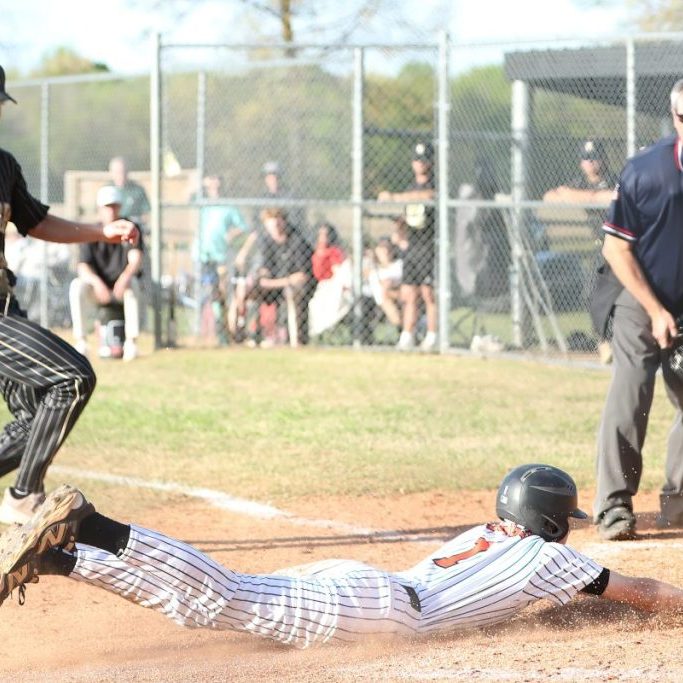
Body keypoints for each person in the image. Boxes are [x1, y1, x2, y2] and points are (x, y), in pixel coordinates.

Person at [4, 464, 683, 649]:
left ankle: (63, 562)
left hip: (363, 590)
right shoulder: (545, 556)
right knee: (222, 595)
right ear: (547, 521)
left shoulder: (483, 535)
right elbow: (643, 592)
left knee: (213, 605)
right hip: (375, 610)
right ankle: (93, 526)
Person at [0, 67, 139, 525]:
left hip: (4, 304)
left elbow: (36, 223)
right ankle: (23, 497)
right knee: (72, 377)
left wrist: (102, 232)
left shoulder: (3, 166)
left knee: (34, 417)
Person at [593, 78, 683, 541]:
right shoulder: (646, 172)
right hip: (638, 294)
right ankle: (614, 506)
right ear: (675, 117)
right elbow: (616, 250)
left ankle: (679, 503)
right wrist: (655, 309)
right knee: (632, 388)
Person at [543, 139, 617, 364]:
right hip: (593, 248)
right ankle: (603, 341)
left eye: (595, 157)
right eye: (586, 158)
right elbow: (550, 197)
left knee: (616, 297)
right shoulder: (577, 182)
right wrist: (579, 196)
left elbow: (610, 197)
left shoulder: (614, 179)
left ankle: (616, 340)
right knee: (590, 294)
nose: (591, 163)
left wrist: (580, 197)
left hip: (615, 244)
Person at [69, 186, 144, 361]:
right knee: (77, 286)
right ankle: (81, 342)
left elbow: (136, 259)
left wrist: (124, 279)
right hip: (98, 290)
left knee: (133, 284)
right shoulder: (92, 231)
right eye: (106, 206)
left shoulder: (129, 228)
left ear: (119, 207)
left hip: (121, 288)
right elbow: (83, 266)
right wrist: (97, 284)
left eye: (114, 206)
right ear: (99, 208)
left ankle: (131, 343)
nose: (111, 210)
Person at [378, 141, 437, 352]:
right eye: (416, 160)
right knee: (409, 294)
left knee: (429, 294)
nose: (420, 164)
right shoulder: (411, 187)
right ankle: (407, 334)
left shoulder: (435, 183)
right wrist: (399, 225)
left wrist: (394, 197)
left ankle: (432, 335)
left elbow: (428, 196)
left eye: (424, 160)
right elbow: (409, 215)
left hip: (430, 246)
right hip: (412, 247)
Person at [240, 208, 314, 347]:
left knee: (295, 292)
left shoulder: (297, 242)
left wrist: (279, 282)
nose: (275, 227)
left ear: (284, 222)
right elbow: (263, 275)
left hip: (295, 288)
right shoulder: (266, 242)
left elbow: (301, 276)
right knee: (250, 290)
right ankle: (250, 337)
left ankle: (297, 341)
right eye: (271, 224)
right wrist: (283, 280)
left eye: (278, 223)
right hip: (276, 285)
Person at [193, 174, 249, 345]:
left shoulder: (228, 207)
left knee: (222, 293)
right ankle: (210, 331)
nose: (214, 185)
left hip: (221, 258)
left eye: (217, 181)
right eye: (210, 181)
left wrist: (231, 234)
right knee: (208, 292)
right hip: (204, 256)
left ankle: (225, 332)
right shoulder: (202, 204)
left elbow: (244, 227)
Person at [308, 222, 352, 338]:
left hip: (329, 284)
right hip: (315, 284)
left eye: (326, 235)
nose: (323, 238)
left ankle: (324, 331)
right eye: (321, 235)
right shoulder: (314, 251)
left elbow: (338, 270)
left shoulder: (333, 252)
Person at [106, 156, 151, 229]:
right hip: (112, 229)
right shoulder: (106, 190)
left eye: (123, 171)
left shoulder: (137, 190)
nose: (121, 175)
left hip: (134, 228)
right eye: (117, 172)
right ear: (111, 172)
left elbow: (146, 213)